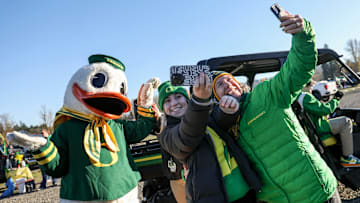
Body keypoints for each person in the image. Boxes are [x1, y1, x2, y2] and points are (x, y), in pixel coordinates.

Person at [211, 11, 339, 203]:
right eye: (220, 85)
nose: (228, 84)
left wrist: (303, 35)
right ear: (215, 98)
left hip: (317, 194)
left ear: (238, 84)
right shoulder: (222, 127)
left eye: (230, 80)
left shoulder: (266, 95)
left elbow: (298, 69)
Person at [158, 75, 261, 203]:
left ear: (186, 100)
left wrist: (228, 109)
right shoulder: (167, 135)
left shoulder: (206, 116)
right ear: (163, 109)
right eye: (167, 101)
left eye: (178, 97)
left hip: (245, 192)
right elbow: (187, 136)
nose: (174, 103)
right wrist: (199, 101)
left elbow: (220, 119)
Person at [298, 79, 360, 167]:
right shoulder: (305, 97)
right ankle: (347, 158)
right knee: (346, 121)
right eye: (311, 88)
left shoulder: (297, 98)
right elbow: (325, 110)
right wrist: (336, 99)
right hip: (320, 127)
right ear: (306, 86)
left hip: (314, 127)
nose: (312, 91)